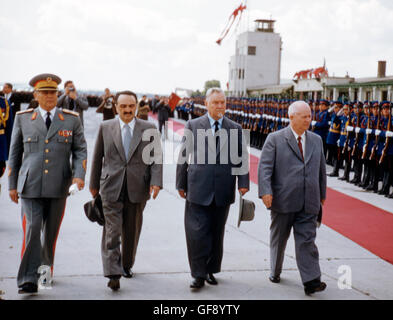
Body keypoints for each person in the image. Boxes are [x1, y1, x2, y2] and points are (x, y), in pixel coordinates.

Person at [8, 73, 87, 294]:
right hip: (29, 185)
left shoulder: (71, 119)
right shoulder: (23, 118)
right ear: (36, 94)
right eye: (44, 92)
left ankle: (44, 273)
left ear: (58, 94)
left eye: (53, 92)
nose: (49, 96)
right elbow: (14, 155)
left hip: (58, 185)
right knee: (32, 229)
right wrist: (12, 185)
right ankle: (27, 279)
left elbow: (80, 150)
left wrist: (78, 175)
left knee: (50, 233)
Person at [176, 87, 249, 290]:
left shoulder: (234, 127)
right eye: (215, 102)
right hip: (197, 187)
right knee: (196, 233)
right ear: (206, 104)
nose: (219, 106)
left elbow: (241, 158)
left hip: (223, 188)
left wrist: (243, 184)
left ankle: (210, 270)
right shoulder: (193, 125)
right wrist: (180, 183)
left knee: (217, 233)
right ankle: (197, 274)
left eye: (222, 102)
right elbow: (184, 156)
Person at [89, 91, 163, 291]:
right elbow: (97, 157)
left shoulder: (149, 128)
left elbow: (156, 158)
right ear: (116, 108)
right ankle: (113, 272)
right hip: (110, 186)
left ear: (136, 106)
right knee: (112, 231)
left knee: (132, 229)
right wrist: (93, 184)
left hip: (138, 187)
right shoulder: (106, 127)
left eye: (131, 106)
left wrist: (156, 182)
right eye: (123, 107)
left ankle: (127, 264)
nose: (128, 110)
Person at [258, 100, 327, 296]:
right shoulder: (275, 139)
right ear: (291, 117)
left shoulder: (316, 140)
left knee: (307, 240)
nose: (309, 120)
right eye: (304, 116)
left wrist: (322, 193)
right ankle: (275, 270)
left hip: (309, 201)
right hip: (283, 199)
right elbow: (265, 168)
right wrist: (265, 191)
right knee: (279, 239)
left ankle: (311, 280)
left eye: (309, 116)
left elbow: (321, 169)